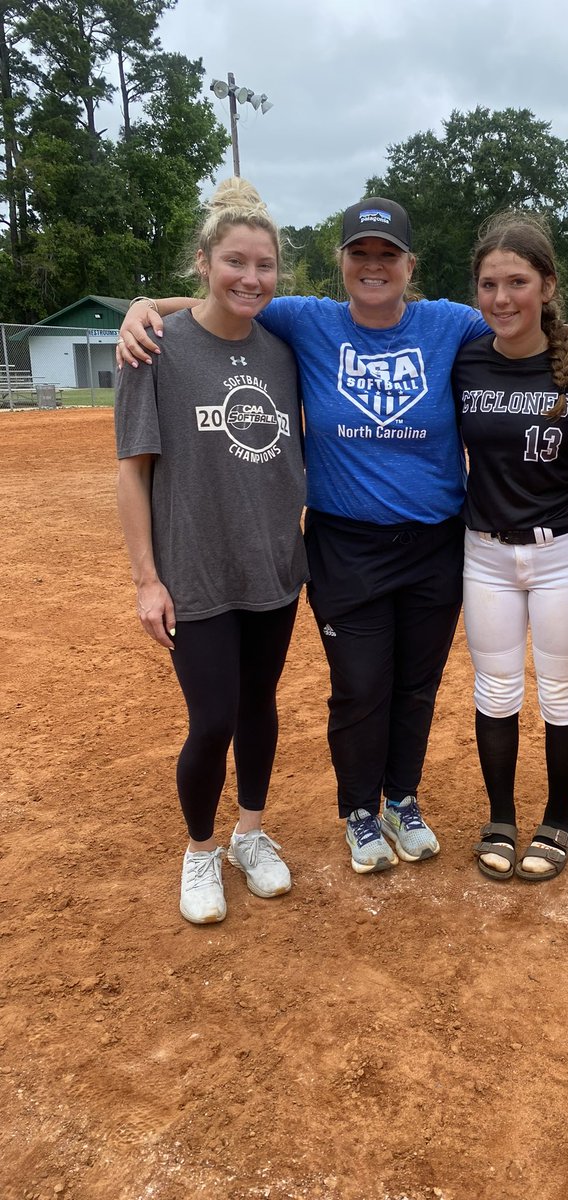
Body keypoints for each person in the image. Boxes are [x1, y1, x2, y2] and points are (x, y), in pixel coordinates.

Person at [117, 197, 568, 875]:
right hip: (345, 544)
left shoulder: (450, 323)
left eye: (388, 256)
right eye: (361, 255)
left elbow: (526, 318)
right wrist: (146, 304)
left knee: (416, 684)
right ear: (343, 263)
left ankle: (402, 799)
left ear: (410, 265)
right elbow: (227, 295)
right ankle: (359, 810)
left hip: (436, 540)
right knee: (360, 684)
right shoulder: (306, 319)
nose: (374, 267)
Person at [115, 178, 307, 924]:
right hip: (195, 572)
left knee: (259, 705)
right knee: (212, 719)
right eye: (235, 261)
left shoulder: (284, 347)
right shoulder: (154, 348)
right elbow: (133, 472)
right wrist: (145, 580)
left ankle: (249, 835)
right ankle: (201, 853)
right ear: (204, 262)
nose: (250, 277)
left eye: (264, 265)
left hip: (274, 568)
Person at [452, 213, 568, 881]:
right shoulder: (464, 355)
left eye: (518, 281)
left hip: (563, 552)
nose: (501, 298)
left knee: (564, 694)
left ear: (546, 284)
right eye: (489, 284)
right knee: (495, 690)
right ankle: (500, 816)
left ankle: (558, 821)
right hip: (485, 550)